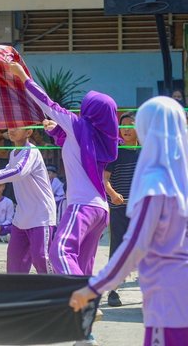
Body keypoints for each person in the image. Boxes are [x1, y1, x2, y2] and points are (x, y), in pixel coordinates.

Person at [10, 62, 118, 345]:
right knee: (80, 267)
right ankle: (85, 337)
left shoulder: (78, 124)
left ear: (90, 113)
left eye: (85, 107)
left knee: (59, 250)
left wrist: (24, 79)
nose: (81, 109)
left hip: (82, 206)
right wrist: (55, 130)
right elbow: (73, 147)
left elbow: (48, 103)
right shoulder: (96, 138)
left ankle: (86, 301)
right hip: (100, 211)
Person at [69, 96, 188, 346]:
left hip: (167, 297)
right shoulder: (180, 177)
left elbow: (136, 244)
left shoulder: (156, 180)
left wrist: (93, 288)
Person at [0, 127, 57, 274]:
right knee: (15, 261)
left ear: (28, 132)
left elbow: (18, 172)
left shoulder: (31, 151)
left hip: (41, 216)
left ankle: (58, 292)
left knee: (41, 259)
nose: (12, 130)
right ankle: (17, 295)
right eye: (11, 127)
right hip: (21, 218)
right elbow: (7, 170)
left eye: (18, 127)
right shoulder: (13, 153)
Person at [103, 112, 140, 307]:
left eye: (130, 125)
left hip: (142, 212)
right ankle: (113, 291)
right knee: (117, 249)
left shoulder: (145, 152)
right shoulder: (114, 152)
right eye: (123, 125)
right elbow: (105, 180)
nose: (126, 129)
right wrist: (113, 194)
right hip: (119, 209)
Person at [0, 130, 16, 203]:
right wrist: (3, 135)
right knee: (3, 178)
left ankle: (13, 201)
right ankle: (5, 201)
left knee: (14, 179)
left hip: (15, 152)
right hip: (3, 155)